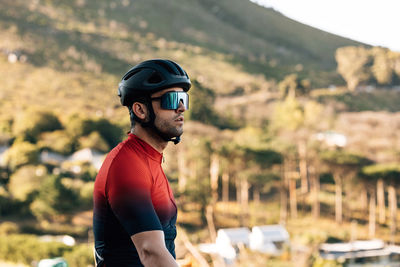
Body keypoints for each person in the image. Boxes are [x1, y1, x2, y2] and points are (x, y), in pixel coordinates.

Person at [93, 59, 191, 267]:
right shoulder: (126, 164)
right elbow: (151, 252)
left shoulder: (149, 161)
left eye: (183, 98)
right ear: (140, 110)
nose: (181, 108)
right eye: (172, 100)